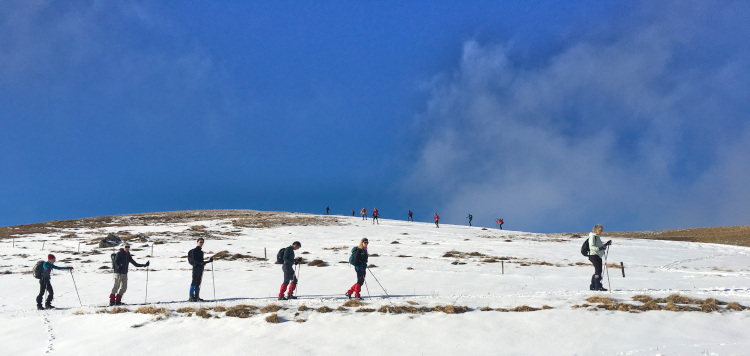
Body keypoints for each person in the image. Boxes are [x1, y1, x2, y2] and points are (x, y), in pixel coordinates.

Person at [587, 224, 611, 291]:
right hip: (594, 255)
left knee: (598, 271)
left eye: (601, 230)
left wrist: (605, 245)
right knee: (598, 271)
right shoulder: (593, 237)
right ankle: (597, 286)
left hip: (597, 255)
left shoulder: (597, 237)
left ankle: (594, 286)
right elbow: (591, 247)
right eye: (600, 230)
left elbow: (598, 246)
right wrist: (600, 248)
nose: (601, 232)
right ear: (596, 230)